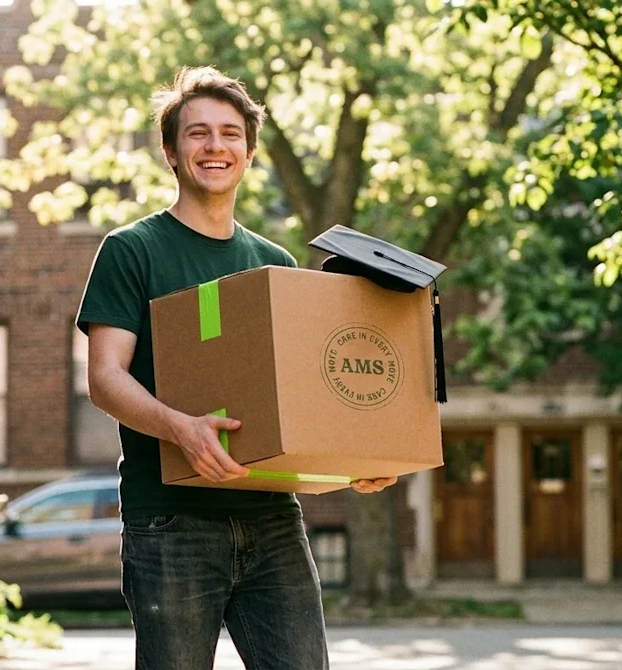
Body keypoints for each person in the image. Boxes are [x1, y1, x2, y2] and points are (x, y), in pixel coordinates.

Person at [76, 66, 398, 670]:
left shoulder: (272, 264)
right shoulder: (132, 249)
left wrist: (354, 462)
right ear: (171, 152)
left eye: (229, 134)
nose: (215, 146)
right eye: (198, 134)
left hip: (273, 517)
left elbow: (304, 397)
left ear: (249, 153)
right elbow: (105, 377)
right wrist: (182, 428)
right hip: (171, 520)